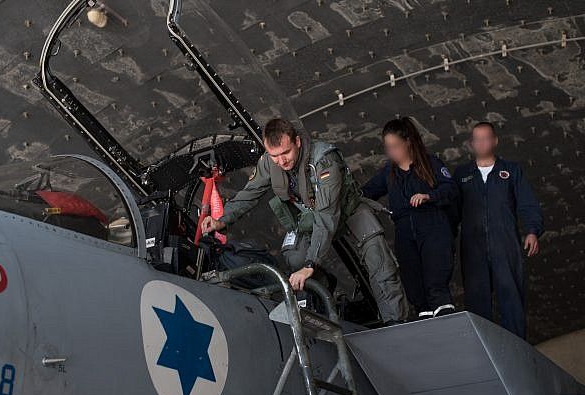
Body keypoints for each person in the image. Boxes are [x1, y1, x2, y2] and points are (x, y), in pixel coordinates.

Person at [202, 118, 409, 324]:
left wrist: (312, 263)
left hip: (348, 212)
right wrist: (221, 220)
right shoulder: (269, 163)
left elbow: (327, 217)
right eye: (275, 156)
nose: (281, 161)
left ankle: (395, 323)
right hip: (311, 218)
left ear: (298, 142)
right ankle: (321, 313)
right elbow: (250, 193)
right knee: (295, 258)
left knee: (380, 261)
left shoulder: (324, 161)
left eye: (286, 153)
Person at [452, 122, 543, 338]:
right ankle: (484, 353)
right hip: (473, 248)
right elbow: (451, 212)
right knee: (477, 302)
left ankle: (517, 350)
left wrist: (532, 230)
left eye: (486, 138)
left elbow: (527, 203)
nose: (482, 142)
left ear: (495, 141)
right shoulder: (462, 175)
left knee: (511, 298)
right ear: (472, 144)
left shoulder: (511, 171)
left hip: (505, 245)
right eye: (477, 139)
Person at [362, 117, 458, 319]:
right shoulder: (388, 173)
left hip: (433, 227)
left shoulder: (431, 164)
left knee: (436, 281)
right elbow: (365, 193)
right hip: (405, 232)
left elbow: (451, 189)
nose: (392, 151)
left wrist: (429, 196)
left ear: (407, 142)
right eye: (388, 147)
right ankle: (424, 318)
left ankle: (445, 317)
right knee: (413, 283)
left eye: (395, 145)